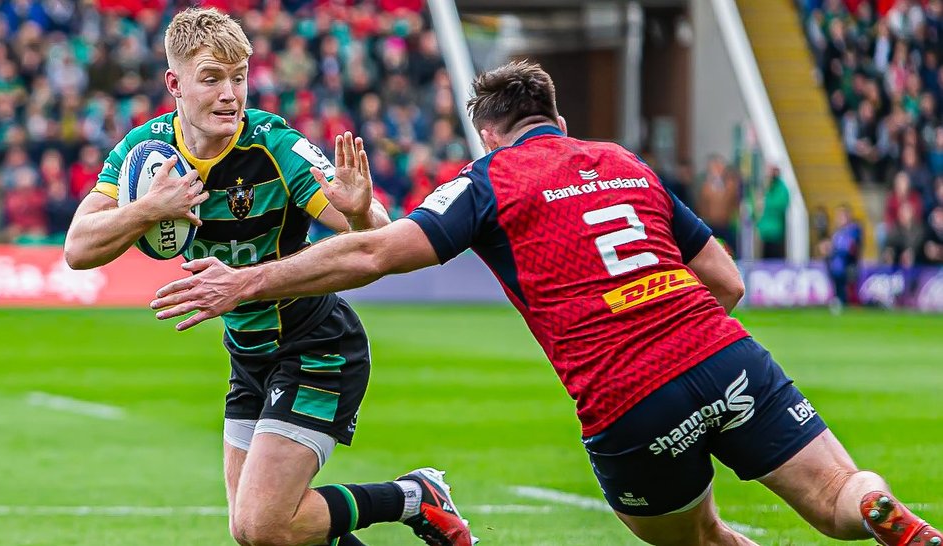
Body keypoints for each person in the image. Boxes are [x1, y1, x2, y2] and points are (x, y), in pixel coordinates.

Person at [152, 61, 939, 546]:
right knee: (838, 499)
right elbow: (728, 283)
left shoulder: (491, 179)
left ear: (489, 136)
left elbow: (372, 252)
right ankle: (874, 504)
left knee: (698, 538)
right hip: (726, 356)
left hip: (628, 399)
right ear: (558, 120)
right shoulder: (620, 160)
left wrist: (245, 280)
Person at [63, 8, 473, 546]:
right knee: (262, 532)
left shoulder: (275, 145)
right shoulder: (147, 152)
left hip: (316, 346)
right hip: (248, 354)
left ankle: (415, 496)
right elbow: (77, 249)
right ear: (175, 84)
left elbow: (377, 236)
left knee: (265, 524)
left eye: (238, 78)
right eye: (211, 78)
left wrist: (356, 210)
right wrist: (147, 209)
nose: (230, 94)